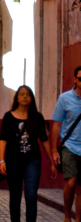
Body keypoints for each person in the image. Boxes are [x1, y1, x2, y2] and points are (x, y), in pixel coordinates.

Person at [0, 86, 57, 222]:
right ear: (17, 98)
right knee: (15, 196)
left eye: (28, 95)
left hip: (33, 161)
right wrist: (2, 161)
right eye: (22, 94)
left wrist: (52, 162)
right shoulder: (8, 116)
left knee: (31, 195)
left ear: (32, 98)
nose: (25, 97)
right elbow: (3, 140)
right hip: (13, 161)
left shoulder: (37, 117)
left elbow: (44, 140)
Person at [51, 66, 81, 222]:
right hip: (70, 146)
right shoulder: (64, 98)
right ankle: (67, 217)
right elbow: (56, 124)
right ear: (75, 79)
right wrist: (55, 150)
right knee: (71, 181)